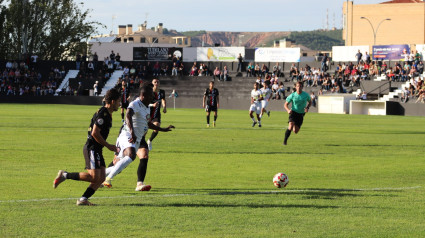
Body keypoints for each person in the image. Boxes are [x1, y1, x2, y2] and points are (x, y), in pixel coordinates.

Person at [53, 88, 121, 206]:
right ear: (113, 101)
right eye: (119, 101)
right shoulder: (103, 113)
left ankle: (83, 199)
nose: (120, 104)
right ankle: (64, 175)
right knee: (94, 177)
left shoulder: (107, 114)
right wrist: (109, 146)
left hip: (97, 149)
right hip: (92, 148)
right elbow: (95, 133)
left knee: (100, 178)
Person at [103, 84, 175, 191]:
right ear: (144, 95)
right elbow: (128, 115)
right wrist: (132, 132)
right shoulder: (135, 103)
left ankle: (97, 176)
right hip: (127, 135)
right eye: (151, 95)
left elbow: (148, 124)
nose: (152, 97)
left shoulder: (146, 107)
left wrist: (163, 129)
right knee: (131, 156)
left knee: (119, 164)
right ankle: (108, 179)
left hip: (137, 138)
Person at [147, 79, 167, 151]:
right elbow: (145, 103)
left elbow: (163, 100)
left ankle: (149, 140)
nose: (156, 83)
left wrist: (164, 107)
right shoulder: (149, 92)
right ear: (152, 83)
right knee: (145, 130)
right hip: (148, 113)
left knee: (157, 126)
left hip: (156, 113)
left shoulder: (162, 92)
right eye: (155, 82)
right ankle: (141, 144)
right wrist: (152, 105)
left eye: (158, 82)